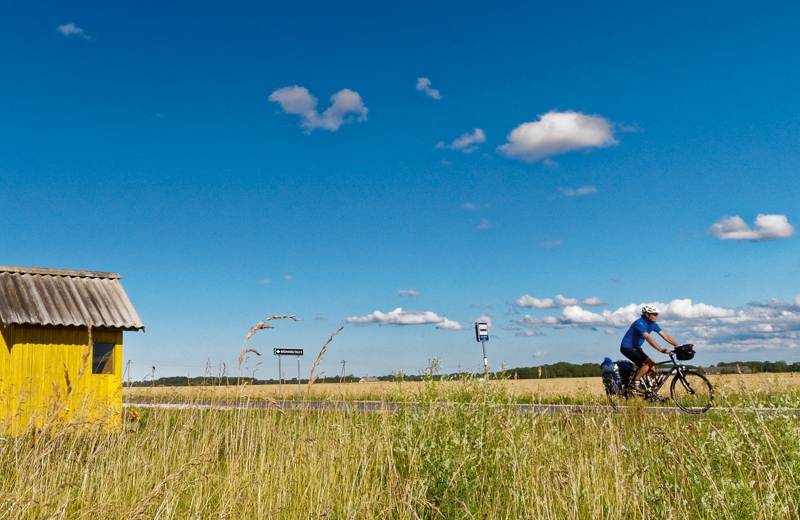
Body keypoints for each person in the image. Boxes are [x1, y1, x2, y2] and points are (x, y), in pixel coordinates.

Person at [620, 305, 679, 392]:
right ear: (647, 315)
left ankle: (652, 392)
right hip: (627, 347)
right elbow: (648, 338)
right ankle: (635, 382)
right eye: (654, 314)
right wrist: (660, 349)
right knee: (650, 362)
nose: (656, 316)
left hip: (636, 347)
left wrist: (677, 346)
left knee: (651, 368)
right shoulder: (639, 323)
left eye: (657, 314)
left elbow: (664, 335)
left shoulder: (653, 324)